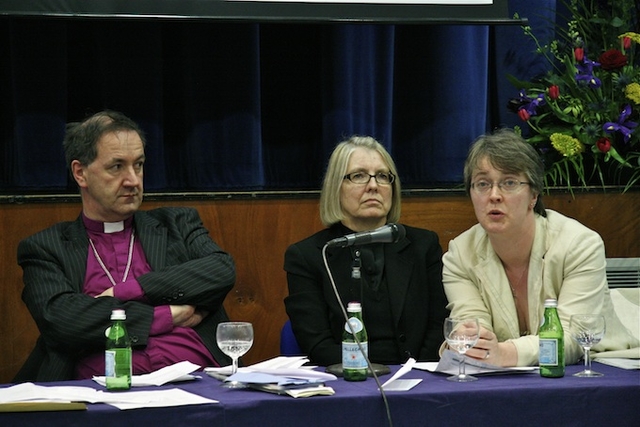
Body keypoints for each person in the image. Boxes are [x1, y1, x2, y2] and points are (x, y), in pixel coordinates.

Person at [14, 110, 236, 382]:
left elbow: (221, 270)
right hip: (95, 393)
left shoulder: (177, 223)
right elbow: (62, 320)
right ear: (80, 173)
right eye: (117, 166)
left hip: (197, 381)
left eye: (139, 165)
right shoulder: (45, 248)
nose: (133, 180)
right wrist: (164, 316)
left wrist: (130, 290)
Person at [442, 128, 639, 367]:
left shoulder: (579, 244)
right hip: (505, 378)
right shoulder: (460, 255)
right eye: (482, 184)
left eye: (509, 182)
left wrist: (504, 353)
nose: (494, 195)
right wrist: (473, 337)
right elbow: (473, 326)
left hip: (596, 369)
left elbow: (573, 337)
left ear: (533, 194)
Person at [284, 135, 449, 366]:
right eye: (358, 176)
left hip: (417, 378)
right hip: (345, 382)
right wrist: (365, 374)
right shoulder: (309, 255)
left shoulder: (423, 246)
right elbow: (316, 342)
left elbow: (439, 325)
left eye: (382, 176)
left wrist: (414, 374)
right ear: (336, 188)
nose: (373, 185)